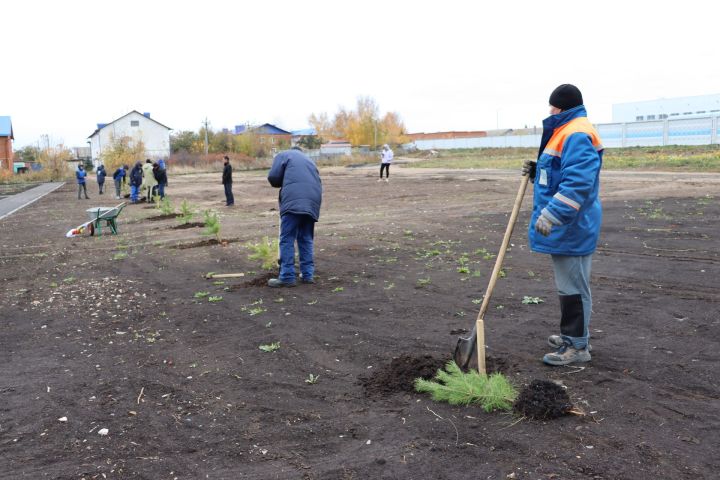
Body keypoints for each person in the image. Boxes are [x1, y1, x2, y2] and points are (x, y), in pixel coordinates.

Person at [522, 84, 603, 366]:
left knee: (573, 288)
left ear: (563, 106)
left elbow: (578, 183)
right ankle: (575, 335)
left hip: (571, 226)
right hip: (570, 226)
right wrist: (538, 172)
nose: (549, 110)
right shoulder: (568, 130)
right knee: (572, 285)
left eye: (553, 106)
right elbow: (560, 175)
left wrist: (552, 214)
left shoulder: (576, 133)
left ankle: (577, 346)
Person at [267, 147, 322, 287]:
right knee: (306, 238)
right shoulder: (310, 160)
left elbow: (273, 178)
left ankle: (287, 276)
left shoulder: (284, 154)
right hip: (312, 201)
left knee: (287, 238)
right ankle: (308, 275)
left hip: (293, 201)